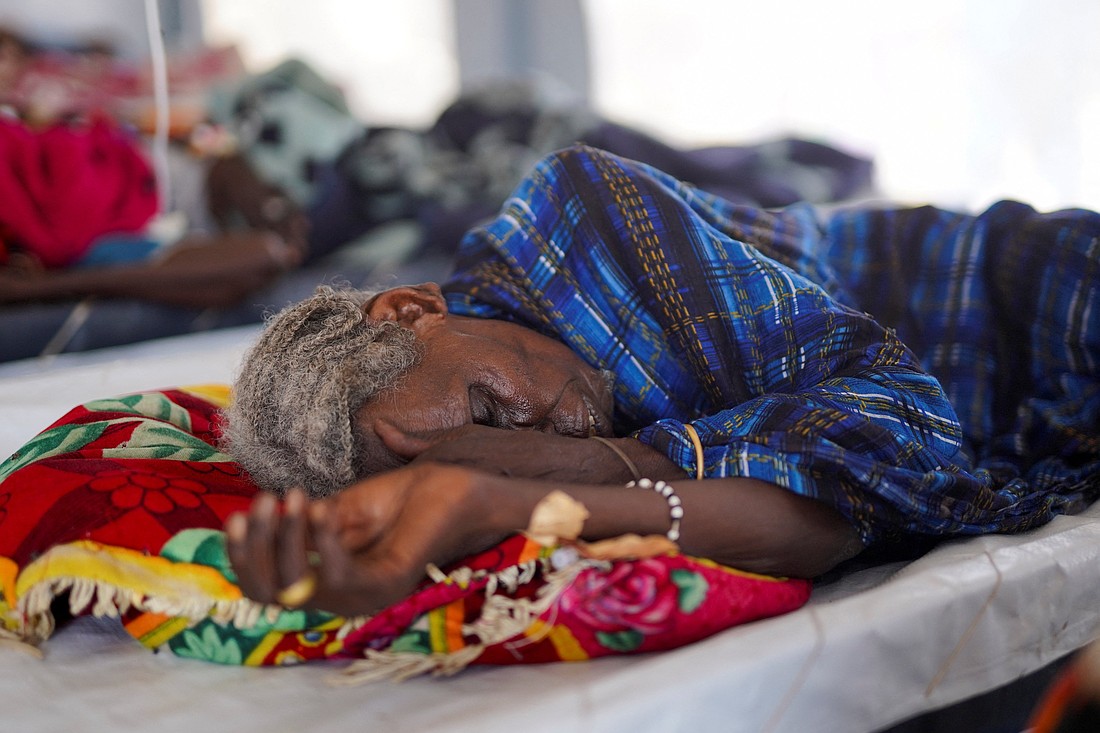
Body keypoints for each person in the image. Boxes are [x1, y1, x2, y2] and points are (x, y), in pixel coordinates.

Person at [223, 144, 1100, 618]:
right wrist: (493, 501)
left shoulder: (578, 215)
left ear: (412, 308)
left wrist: (611, 465)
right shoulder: (517, 475)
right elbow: (838, 510)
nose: (536, 445)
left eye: (492, 408)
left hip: (1042, 297)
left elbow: (901, 428)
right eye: (493, 457)